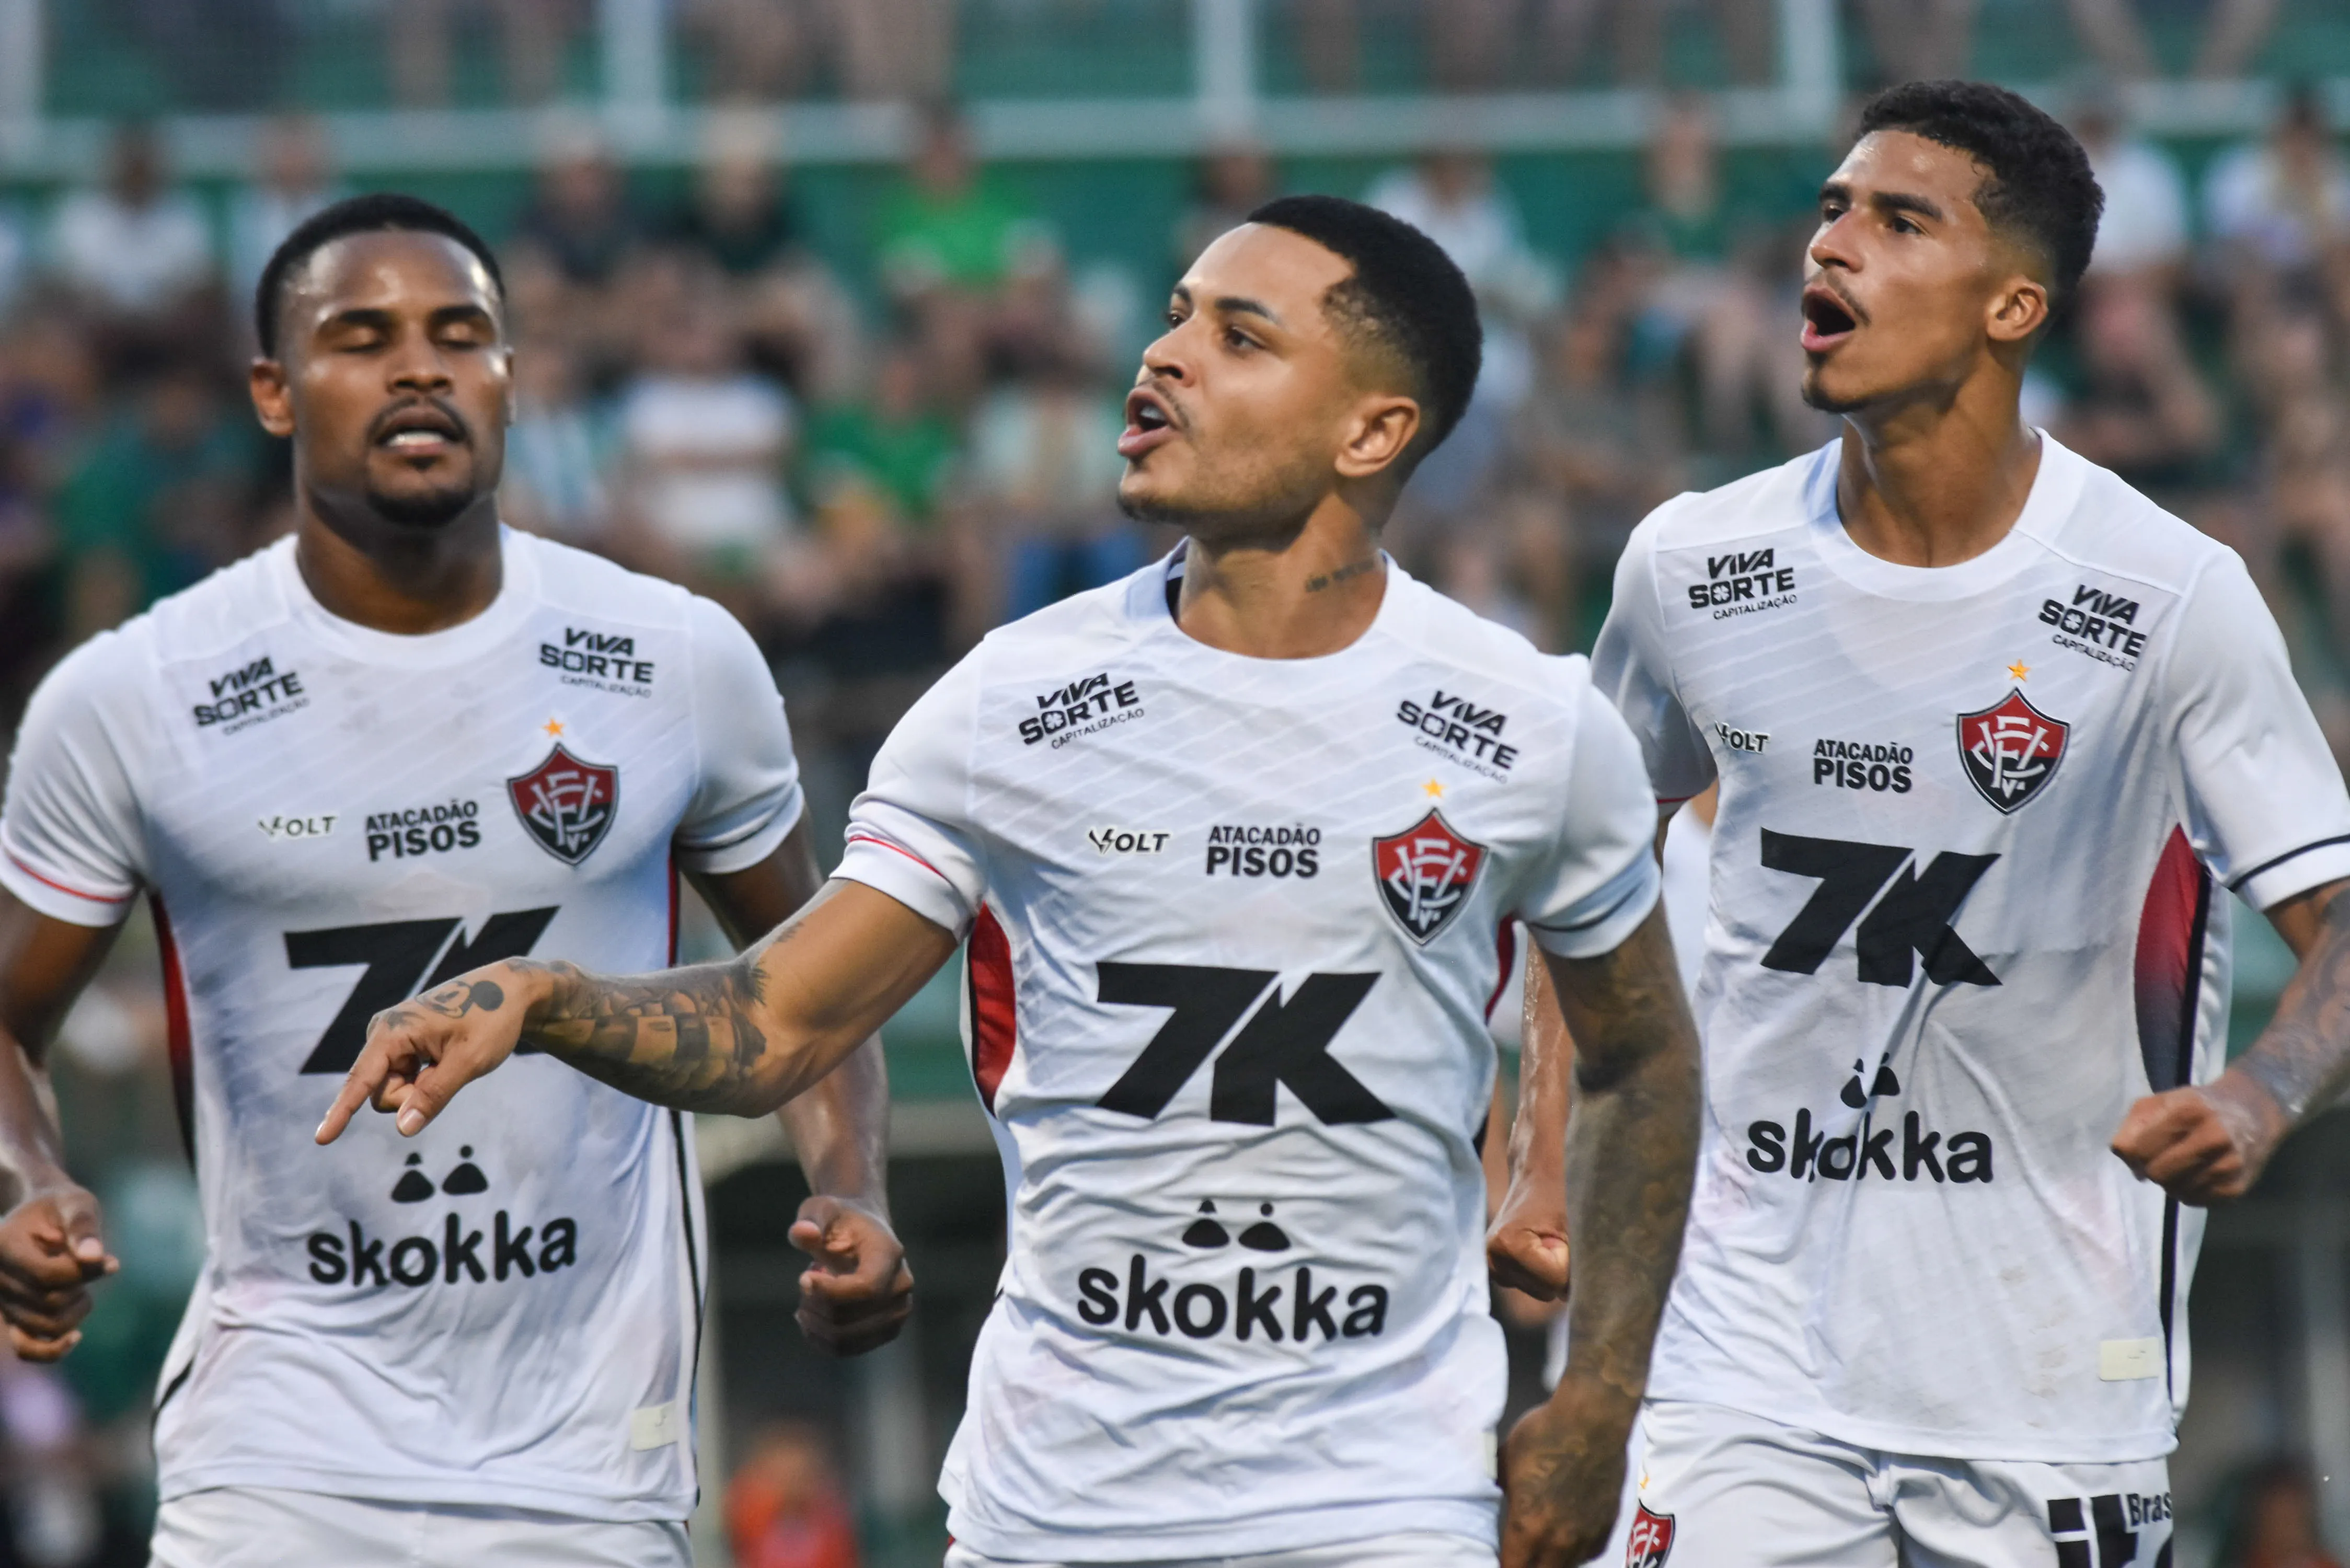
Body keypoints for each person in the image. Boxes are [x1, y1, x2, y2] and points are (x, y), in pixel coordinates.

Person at [321, 194, 1703, 1568]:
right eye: (1172, 320)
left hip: (1386, 1510)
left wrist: (1599, 1398)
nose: (1165, 358)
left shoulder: (1528, 721)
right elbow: (779, 1019)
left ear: (1373, 430)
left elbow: (1643, 1059)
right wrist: (545, 997)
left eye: (1239, 335)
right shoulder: (1016, 701)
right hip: (1055, 1519)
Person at [0, 193, 912, 1566]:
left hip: (593, 1472)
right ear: (272, 390)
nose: (419, 366)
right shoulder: (135, 698)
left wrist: (856, 1188)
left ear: (510, 378)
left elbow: (814, 990)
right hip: (277, 1462)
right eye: (361, 336)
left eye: (461, 334)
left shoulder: (676, 659)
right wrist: (25, 1180)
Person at [1529, 78, 2350, 1565]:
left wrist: (2262, 1096)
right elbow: (1585, 881)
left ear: (2013, 305)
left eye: (1900, 220)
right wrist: (1532, 1170)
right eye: (1834, 208)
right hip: (1741, 1369)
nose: (1831, 246)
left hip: (2049, 1383)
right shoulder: (1690, 566)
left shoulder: (2167, 595)